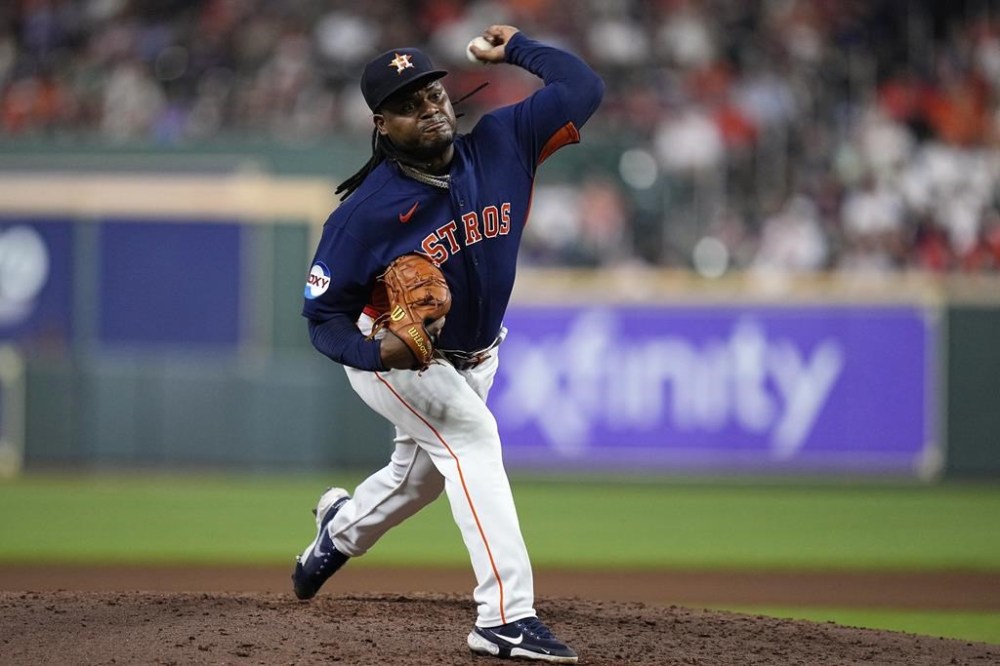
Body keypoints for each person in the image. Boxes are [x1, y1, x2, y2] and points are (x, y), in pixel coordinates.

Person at [292, 24, 603, 663]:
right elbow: (321, 318)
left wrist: (516, 45)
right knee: (473, 439)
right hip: (394, 354)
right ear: (382, 124)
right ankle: (505, 618)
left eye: (432, 93)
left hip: (478, 355)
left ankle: (335, 533)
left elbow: (583, 86)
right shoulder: (362, 215)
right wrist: (380, 356)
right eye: (408, 104)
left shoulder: (501, 141)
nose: (428, 108)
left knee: (418, 482)